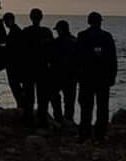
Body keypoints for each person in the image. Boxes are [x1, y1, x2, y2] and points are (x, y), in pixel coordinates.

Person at [76, 11, 117, 141]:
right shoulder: (107, 36)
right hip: (103, 78)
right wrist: (112, 76)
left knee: (86, 107)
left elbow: (77, 58)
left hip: (86, 77)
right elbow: (113, 59)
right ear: (100, 22)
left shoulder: (82, 36)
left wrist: (78, 75)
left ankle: (84, 134)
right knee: (102, 108)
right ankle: (100, 135)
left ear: (89, 22)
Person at [21, 7, 53, 126]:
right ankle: (42, 119)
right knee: (42, 97)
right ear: (41, 18)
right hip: (42, 68)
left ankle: (28, 119)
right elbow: (51, 51)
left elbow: (21, 52)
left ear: (30, 17)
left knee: (29, 96)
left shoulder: (26, 32)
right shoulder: (46, 32)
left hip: (29, 68)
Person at [49, 19, 78, 122]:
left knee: (54, 96)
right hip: (71, 76)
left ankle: (59, 117)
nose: (57, 32)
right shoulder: (75, 41)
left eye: (58, 30)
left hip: (58, 75)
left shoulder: (55, 43)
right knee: (69, 101)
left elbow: (51, 58)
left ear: (60, 30)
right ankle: (68, 119)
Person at [2, 12, 26, 109]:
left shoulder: (15, 31)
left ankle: (21, 106)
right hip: (17, 64)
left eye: (6, 22)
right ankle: (21, 106)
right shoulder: (16, 31)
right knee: (17, 88)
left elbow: (11, 47)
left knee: (16, 87)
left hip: (14, 65)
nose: (6, 24)